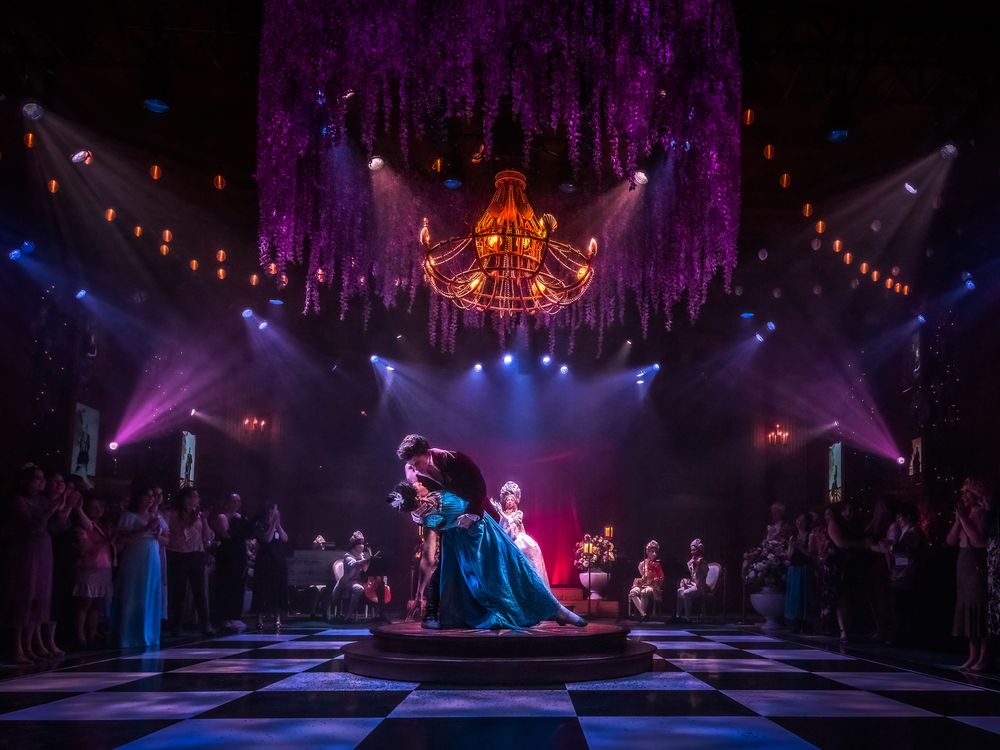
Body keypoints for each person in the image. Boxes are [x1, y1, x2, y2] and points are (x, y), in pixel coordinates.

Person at [392, 434, 585, 630]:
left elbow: (478, 486)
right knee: (452, 575)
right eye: (411, 464)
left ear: (426, 453)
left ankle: (556, 609)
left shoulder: (455, 459)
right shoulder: (413, 474)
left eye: (417, 462)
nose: (415, 468)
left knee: (511, 564)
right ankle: (439, 615)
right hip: (455, 535)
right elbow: (425, 506)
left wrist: (472, 515)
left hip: (479, 524)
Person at [0, 464, 73, 663]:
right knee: (23, 597)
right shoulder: (18, 500)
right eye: (37, 478)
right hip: (24, 552)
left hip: (43, 551)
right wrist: (53, 507)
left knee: (38, 599)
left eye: (42, 478)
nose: (41, 481)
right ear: (24, 481)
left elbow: (58, 527)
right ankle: (17, 647)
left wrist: (65, 506)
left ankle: (31, 644)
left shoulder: (42, 500)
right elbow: (32, 525)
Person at [112, 483, 165, 648]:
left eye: (152, 497)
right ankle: (127, 634)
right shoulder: (128, 516)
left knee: (149, 593)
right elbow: (121, 538)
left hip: (153, 555)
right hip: (135, 556)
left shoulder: (156, 516)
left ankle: (149, 632)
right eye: (147, 496)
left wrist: (157, 534)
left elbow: (168, 540)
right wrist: (145, 529)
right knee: (133, 592)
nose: (150, 499)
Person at [947, 477, 989, 671]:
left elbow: (978, 540)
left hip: (975, 563)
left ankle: (983, 656)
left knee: (978, 608)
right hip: (962, 563)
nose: (963, 496)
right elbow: (950, 541)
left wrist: (963, 518)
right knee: (966, 607)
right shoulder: (965, 514)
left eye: (966, 493)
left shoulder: (980, 512)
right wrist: (959, 519)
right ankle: (972, 655)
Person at [166, 486, 215, 636]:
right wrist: (194, 517)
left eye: (197, 497)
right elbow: (181, 529)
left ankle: (205, 623)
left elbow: (207, 536)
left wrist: (205, 520)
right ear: (185, 499)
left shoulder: (199, 516)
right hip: (178, 555)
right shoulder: (173, 515)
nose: (197, 500)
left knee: (200, 591)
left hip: (196, 555)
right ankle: (177, 624)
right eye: (194, 496)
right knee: (178, 591)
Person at [491, 481, 550, 588]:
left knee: (523, 552)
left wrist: (500, 512)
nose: (509, 502)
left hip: (517, 538)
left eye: (512, 500)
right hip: (506, 539)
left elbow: (511, 522)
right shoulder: (503, 515)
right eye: (507, 500)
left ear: (515, 502)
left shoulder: (518, 513)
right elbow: (501, 526)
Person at [73, 496, 114, 647]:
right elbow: (85, 549)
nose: (98, 511)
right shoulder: (82, 527)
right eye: (94, 507)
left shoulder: (103, 526)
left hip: (105, 567)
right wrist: (106, 541)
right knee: (85, 603)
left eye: (100, 507)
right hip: (89, 568)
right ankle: (80, 636)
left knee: (97, 604)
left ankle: (92, 634)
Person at [822, 502, 865, 642]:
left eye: (852, 510)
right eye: (847, 510)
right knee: (838, 596)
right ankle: (841, 629)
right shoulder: (834, 523)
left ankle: (845, 627)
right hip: (837, 565)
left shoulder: (852, 524)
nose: (850, 513)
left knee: (846, 595)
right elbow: (840, 543)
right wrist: (862, 544)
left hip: (848, 564)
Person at [886, 504, 925, 646]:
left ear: (908, 516)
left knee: (903, 608)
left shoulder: (914, 532)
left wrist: (890, 548)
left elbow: (909, 552)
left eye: (900, 516)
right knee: (899, 608)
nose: (898, 519)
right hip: (900, 576)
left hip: (907, 577)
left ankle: (903, 638)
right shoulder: (905, 531)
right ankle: (899, 637)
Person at [211, 492, 249, 631]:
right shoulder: (222, 517)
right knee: (226, 585)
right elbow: (226, 534)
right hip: (227, 555)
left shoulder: (241, 518)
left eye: (239, 501)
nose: (237, 504)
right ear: (227, 502)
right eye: (234, 501)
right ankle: (224, 617)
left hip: (240, 554)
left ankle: (235, 616)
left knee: (238, 585)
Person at [251, 503, 289, 631]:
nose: (276, 512)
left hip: (278, 562)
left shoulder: (278, 526)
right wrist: (272, 524)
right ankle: (259, 618)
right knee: (262, 590)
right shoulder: (259, 524)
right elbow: (266, 539)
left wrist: (277, 525)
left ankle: (277, 618)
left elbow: (285, 539)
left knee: (277, 590)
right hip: (265, 562)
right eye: (274, 510)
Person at [331, 530, 372, 620]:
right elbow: (354, 564)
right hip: (345, 582)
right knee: (357, 589)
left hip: (354, 581)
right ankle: (345, 614)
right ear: (355, 545)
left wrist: (367, 562)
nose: (362, 546)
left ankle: (349, 614)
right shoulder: (348, 556)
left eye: (362, 543)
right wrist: (365, 561)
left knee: (360, 588)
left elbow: (365, 570)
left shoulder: (362, 555)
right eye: (359, 544)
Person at [784, 514, 812, 633]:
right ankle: (794, 622)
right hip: (794, 569)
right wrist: (792, 546)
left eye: (802, 521)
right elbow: (789, 556)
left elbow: (810, 554)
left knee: (803, 595)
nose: (799, 523)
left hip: (804, 568)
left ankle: (805, 623)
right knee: (794, 596)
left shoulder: (810, 536)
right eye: (797, 520)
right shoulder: (793, 537)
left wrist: (799, 547)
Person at [629, 539, 664, 620]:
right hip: (643, 584)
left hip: (652, 586)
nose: (654, 554)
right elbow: (643, 575)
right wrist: (643, 578)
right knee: (632, 592)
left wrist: (655, 579)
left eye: (655, 552)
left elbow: (661, 577)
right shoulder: (642, 564)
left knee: (645, 592)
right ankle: (643, 614)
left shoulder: (657, 564)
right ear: (647, 552)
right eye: (652, 551)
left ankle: (641, 615)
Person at [676, 538, 709, 620]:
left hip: (701, 587)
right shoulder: (690, 562)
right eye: (691, 550)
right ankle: (678, 616)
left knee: (686, 593)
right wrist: (686, 581)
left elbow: (700, 578)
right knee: (679, 590)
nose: (692, 552)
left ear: (699, 551)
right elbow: (690, 576)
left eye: (694, 550)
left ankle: (688, 618)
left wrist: (698, 565)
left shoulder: (703, 564)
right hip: (693, 585)